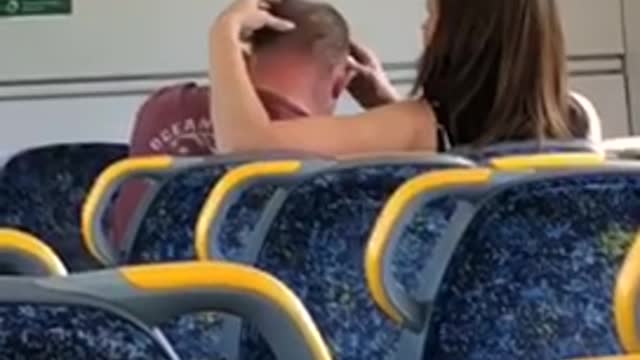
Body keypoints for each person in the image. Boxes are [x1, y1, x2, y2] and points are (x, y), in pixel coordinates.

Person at [110, 0, 354, 246]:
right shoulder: (323, 159)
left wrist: (226, 31)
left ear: (242, 54)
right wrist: (381, 103)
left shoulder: (160, 106)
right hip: (257, 285)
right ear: (340, 83)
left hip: (138, 279)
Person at [209, 0, 587, 155]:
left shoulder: (416, 125)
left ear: (468, 35)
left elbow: (248, 147)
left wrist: (224, 33)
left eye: (432, 14)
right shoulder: (577, 119)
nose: (424, 28)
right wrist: (384, 99)